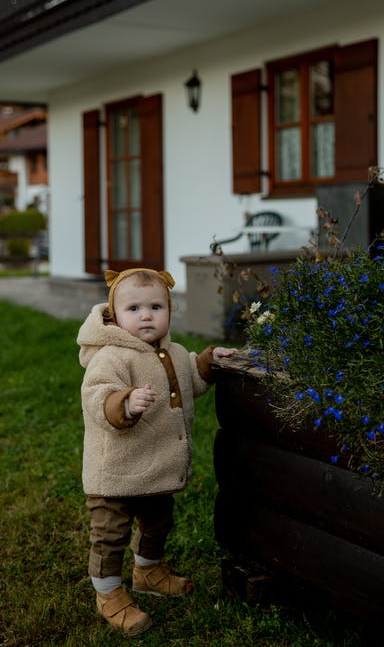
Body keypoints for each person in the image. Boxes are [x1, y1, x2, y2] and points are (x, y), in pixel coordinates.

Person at [77, 267, 236, 637]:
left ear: (169, 310)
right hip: (113, 473)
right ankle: (108, 593)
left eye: (155, 306)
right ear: (114, 316)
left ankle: (147, 571)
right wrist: (126, 402)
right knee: (110, 534)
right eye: (134, 309)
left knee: (157, 521)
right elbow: (96, 397)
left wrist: (209, 362)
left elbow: (191, 382)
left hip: (155, 468)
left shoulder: (175, 352)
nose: (146, 315)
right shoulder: (112, 356)